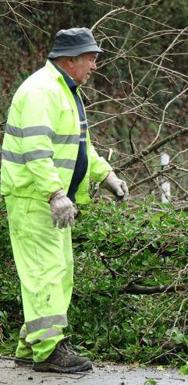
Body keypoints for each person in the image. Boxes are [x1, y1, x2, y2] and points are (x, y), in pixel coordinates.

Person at [1, 27, 129, 373]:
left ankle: (31, 345)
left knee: (59, 271)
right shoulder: (42, 92)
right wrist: (55, 193)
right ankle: (49, 350)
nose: (95, 65)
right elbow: (36, 151)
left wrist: (107, 177)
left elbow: (80, 147)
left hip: (48, 200)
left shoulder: (64, 90)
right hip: (34, 199)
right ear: (70, 60)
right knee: (46, 273)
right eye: (91, 58)